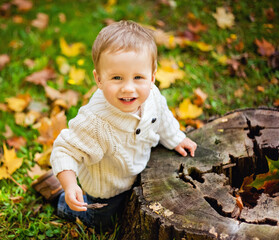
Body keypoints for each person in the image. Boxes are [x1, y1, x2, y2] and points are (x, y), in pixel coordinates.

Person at [32, 20, 197, 231]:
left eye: (138, 77)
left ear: (152, 77)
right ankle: (59, 197)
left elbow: (162, 116)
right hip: (106, 191)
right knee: (102, 223)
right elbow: (64, 149)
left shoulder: (152, 96)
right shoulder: (95, 121)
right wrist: (71, 185)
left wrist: (175, 137)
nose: (128, 88)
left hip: (139, 174)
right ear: (99, 79)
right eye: (117, 78)